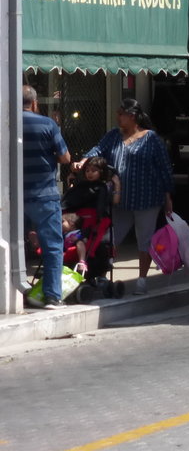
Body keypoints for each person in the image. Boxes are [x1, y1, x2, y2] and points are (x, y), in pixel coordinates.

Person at [78, 98, 174, 295]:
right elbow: (99, 149)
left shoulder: (151, 139)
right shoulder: (114, 135)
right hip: (119, 198)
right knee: (111, 238)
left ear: (132, 116)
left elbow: (164, 168)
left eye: (121, 114)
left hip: (147, 198)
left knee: (144, 240)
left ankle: (141, 281)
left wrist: (167, 195)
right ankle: (103, 274)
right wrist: (85, 160)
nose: (118, 117)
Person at [22, 85, 71, 309]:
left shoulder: (6, 122)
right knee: (52, 245)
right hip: (44, 195)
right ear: (34, 103)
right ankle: (52, 296)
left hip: (13, 196)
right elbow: (65, 157)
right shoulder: (47, 124)